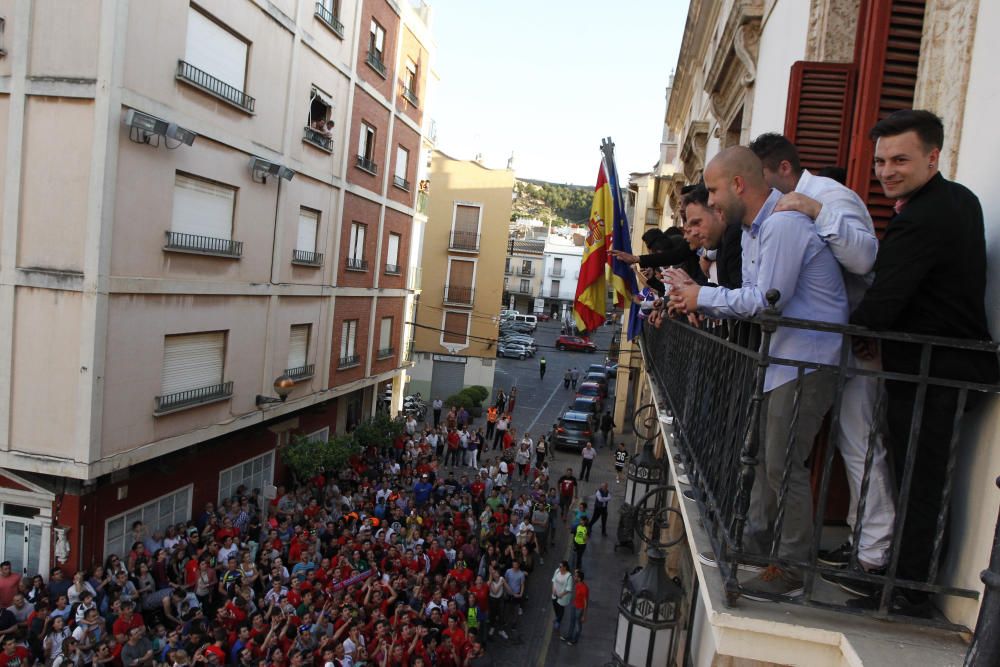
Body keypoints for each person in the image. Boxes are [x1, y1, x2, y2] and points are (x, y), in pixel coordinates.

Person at [665, 146, 849, 600]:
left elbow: (766, 300)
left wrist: (701, 298)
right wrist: (701, 293)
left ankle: (790, 567)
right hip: (783, 362)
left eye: (712, 190)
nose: (710, 201)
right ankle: (762, 547)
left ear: (738, 185)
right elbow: (748, 294)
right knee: (769, 461)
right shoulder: (754, 232)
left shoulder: (784, 226)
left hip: (807, 360)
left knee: (782, 465)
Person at [846, 110, 998, 614]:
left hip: (935, 372)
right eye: (881, 161)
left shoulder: (922, 217)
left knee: (922, 481)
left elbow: (886, 297)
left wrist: (862, 328)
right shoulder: (958, 200)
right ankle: (905, 581)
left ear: (933, 157)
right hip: (944, 368)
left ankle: (910, 591)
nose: (887, 171)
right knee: (923, 479)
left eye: (900, 159)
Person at [749, 132, 895, 583]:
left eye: (762, 180)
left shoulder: (831, 197)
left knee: (859, 443)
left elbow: (864, 258)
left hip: (851, 342)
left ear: (784, 172)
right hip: (825, 346)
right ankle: (849, 544)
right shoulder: (782, 212)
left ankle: (871, 552)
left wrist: (816, 211)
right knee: (794, 454)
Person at [560, 570, 589, 646]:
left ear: (579, 578)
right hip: (574, 605)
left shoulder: (584, 588)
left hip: (579, 609)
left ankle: (575, 639)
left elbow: (585, 602)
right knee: (572, 622)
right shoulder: (576, 584)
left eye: (575, 576)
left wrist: (584, 615)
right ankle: (569, 636)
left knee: (577, 624)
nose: (574, 577)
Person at [550, 562, 573, 631]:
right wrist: (553, 589)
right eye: (559, 566)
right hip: (555, 594)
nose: (559, 568)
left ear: (565, 567)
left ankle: (558, 621)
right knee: (555, 607)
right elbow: (554, 580)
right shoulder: (557, 571)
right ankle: (557, 618)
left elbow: (569, 588)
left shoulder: (569, 576)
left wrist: (561, 594)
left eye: (561, 567)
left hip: (562, 597)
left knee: (560, 609)